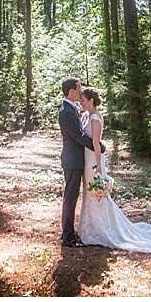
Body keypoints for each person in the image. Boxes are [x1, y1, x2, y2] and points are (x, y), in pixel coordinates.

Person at [77, 87, 151, 254]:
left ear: (91, 101)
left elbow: (96, 143)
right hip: (86, 159)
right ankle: (90, 226)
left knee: (97, 194)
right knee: (88, 193)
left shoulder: (95, 118)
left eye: (83, 100)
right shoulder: (86, 115)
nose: (81, 103)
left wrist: (99, 167)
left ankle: (101, 229)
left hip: (94, 160)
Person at [58, 77, 97, 247]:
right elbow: (78, 136)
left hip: (76, 159)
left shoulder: (71, 109)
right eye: (79, 88)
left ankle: (69, 232)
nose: (81, 91)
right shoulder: (66, 112)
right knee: (70, 197)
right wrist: (99, 147)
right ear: (72, 91)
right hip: (72, 160)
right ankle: (68, 236)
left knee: (72, 196)